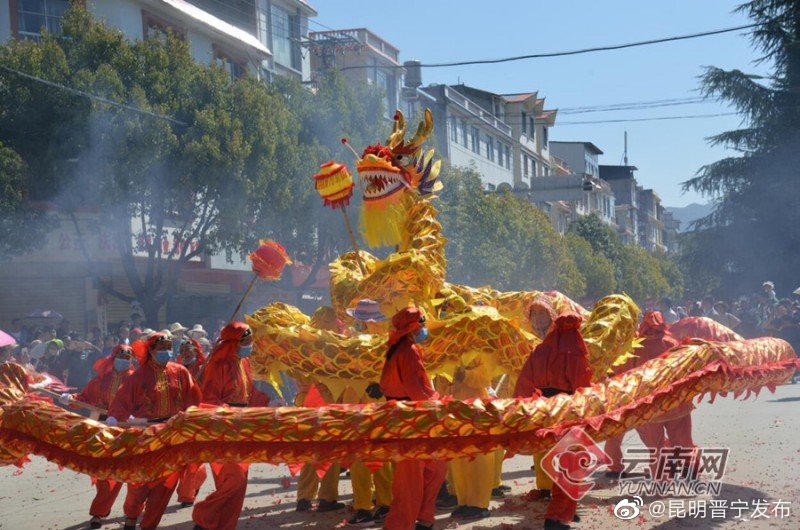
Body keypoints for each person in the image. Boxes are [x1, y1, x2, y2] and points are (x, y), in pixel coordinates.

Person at [107, 332, 202, 530]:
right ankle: (131, 515)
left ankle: (149, 524)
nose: (166, 351)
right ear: (150, 350)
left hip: (173, 435)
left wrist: (192, 420)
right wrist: (117, 416)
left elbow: (193, 399)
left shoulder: (181, 372)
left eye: (169, 346)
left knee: (166, 484)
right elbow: (122, 401)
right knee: (139, 482)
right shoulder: (138, 376)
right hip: (146, 434)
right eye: (161, 348)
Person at [514, 311, 593, 530]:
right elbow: (583, 387)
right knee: (573, 463)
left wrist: (523, 413)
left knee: (557, 461)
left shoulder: (540, 350)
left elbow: (523, 383)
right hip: (568, 411)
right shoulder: (575, 354)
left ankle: (564, 511)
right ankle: (558, 516)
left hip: (544, 410)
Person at [191, 322, 269, 530]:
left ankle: (221, 525)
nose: (250, 345)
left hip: (241, 429)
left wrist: (267, 403)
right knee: (234, 479)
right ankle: (203, 516)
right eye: (246, 341)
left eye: (250, 341)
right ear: (234, 343)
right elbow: (209, 399)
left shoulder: (244, 363)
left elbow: (250, 395)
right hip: (222, 429)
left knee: (238, 483)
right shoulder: (218, 365)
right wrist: (230, 414)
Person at [380, 307, 446, 530]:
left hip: (405, 417)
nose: (425, 330)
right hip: (413, 419)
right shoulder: (408, 351)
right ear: (414, 327)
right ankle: (400, 525)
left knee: (435, 468)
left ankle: (424, 519)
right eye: (422, 325)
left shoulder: (399, 348)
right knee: (410, 480)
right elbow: (419, 389)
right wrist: (440, 403)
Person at [60, 345, 136, 529]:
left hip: (128, 429)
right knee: (105, 472)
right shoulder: (102, 379)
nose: (123, 359)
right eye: (120, 355)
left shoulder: (137, 380)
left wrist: (135, 416)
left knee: (133, 475)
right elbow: (85, 398)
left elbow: (148, 403)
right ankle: (99, 511)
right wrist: (71, 399)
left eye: (127, 356)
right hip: (102, 428)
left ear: (132, 360)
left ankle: (132, 514)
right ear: (113, 357)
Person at [340, 302, 393, 527]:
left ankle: (369, 506)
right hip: (360, 404)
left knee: (372, 458)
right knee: (369, 458)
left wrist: (383, 386)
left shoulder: (386, 342)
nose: (362, 324)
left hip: (374, 404)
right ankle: (379, 504)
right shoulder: (351, 340)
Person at [633, 312, 696, 479]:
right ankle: (690, 470)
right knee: (682, 439)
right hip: (675, 401)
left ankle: (662, 480)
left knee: (656, 446)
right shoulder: (672, 343)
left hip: (650, 405)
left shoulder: (636, 347)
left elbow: (625, 375)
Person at [174, 337, 209, 508]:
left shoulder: (204, 368)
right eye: (182, 351)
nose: (185, 354)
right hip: (178, 418)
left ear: (196, 351)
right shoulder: (176, 370)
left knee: (193, 457)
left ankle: (187, 494)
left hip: (198, 417)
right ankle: (192, 485)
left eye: (189, 350)